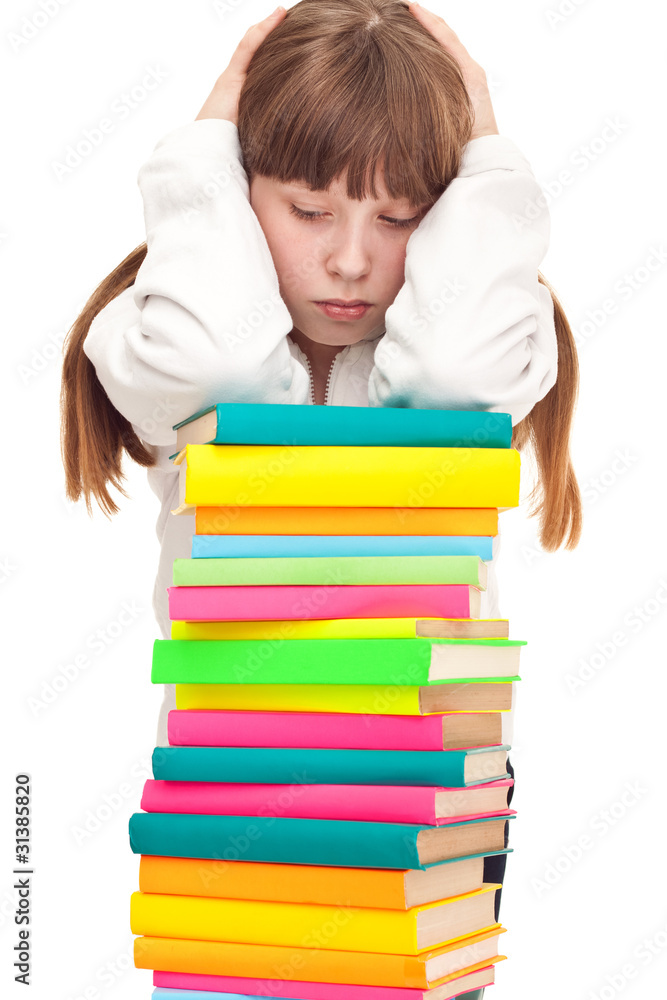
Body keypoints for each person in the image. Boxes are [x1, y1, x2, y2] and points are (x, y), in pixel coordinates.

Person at [60, 1, 582, 992]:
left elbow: (451, 371)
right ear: (234, 193)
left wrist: (489, 161)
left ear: (450, 218)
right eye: (308, 211)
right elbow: (215, 354)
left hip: (431, 792)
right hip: (235, 782)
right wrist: (203, 155)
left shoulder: (483, 345)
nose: (349, 260)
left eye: (399, 218)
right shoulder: (167, 342)